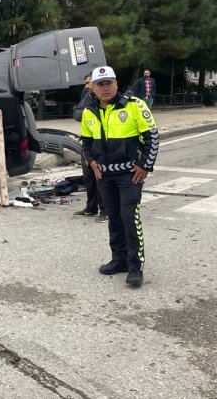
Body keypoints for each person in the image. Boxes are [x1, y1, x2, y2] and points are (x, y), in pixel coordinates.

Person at [81, 66, 159, 288]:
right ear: (93, 87)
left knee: (129, 218)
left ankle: (135, 267)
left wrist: (145, 165)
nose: (105, 88)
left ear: (116, 84)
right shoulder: (89, 111)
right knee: (114, 218)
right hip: (104, 176)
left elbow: (152, 137)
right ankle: (119, 260)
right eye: (100, 84)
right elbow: (86, 143)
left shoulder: (134, 106)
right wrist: (92, 162)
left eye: (109, 83)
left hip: (129, 175)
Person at [72, 73, 106, 222]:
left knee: (102, 178)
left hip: (103, 144)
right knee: (89, 178)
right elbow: (77, 113)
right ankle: (91, 207)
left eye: (88, 82)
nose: (86, 86)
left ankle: (105, 211)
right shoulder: (88, 97)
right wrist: (88, 113)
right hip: (88, 142)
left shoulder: (107, 99)